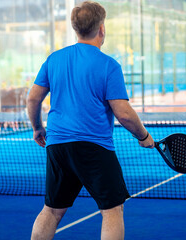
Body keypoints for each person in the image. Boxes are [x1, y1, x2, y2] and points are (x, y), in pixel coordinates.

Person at [27, 2, 154, 240]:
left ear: (76, 29)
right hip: (94, 148)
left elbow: (33, 99)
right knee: (112, 210)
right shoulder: (108, 65)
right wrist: (144, 136)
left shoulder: (54, 59)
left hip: (58, 147)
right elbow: (124, 113)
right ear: (102, 29)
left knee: (52, 210)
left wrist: (37, 128)